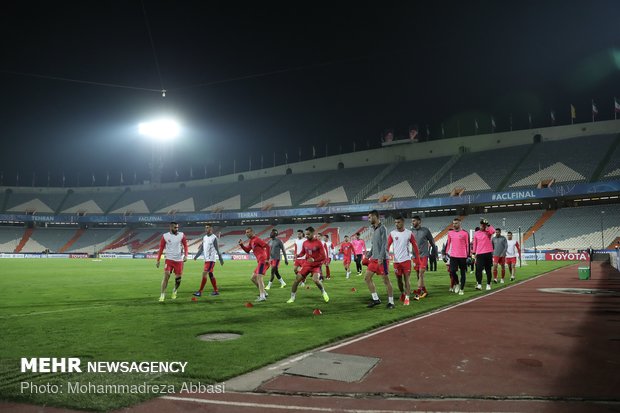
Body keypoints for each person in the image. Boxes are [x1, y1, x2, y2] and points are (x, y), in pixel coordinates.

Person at [287, 226, 329, 303]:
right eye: (306, 234)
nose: (306, 236)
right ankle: (292, 298)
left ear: (313, 233)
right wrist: (297, 255)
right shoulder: (305, 242)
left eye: (308, 234)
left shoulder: (318, 243)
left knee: (315, 280)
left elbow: (323, 256)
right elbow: (303, 252)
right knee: (296, 280)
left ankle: (323, 292)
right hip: (307, 265)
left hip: (316, 265)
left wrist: (314, 260)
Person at [364, 210, 394, 308]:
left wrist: (381, 257)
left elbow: (385, 244)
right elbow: (374, 246)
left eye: (370, 217)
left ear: (375, 217)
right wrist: (367, 256)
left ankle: (391, 302)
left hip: (382, 259)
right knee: (367, 278)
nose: (369, 219)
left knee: (386, 281)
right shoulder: (373, 229)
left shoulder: (383, 228)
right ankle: (376, 299)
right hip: (374, 259)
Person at [388, 215, 420, 306]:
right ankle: (402, 293)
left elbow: (415, 246)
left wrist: (418, 259)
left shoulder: (409, 233)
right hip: (396, 261)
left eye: (398, 222)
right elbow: (387, 245)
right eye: (395, 222)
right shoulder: (392, 233)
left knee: (407, 279)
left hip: (406, 260)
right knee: (399, 280)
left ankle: (407, 297)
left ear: (403, 222)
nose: (396, 224)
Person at [156, 222, 188, 302]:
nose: (176, 229)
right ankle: (162, 295)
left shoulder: (181, 235)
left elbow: (185, 245)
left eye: (177, 227)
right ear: (170, 227)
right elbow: (161, 248)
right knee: (166, 275)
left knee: (178, 280)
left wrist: (186, 255)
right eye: (175, 227)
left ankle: (174, 290)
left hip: (179, 260)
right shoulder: (165, 236)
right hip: (169, 260)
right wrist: (158, 260)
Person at [238, 227, 271, 302]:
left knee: (259, 278)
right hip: (260, 261)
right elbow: (247, 251)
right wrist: (242, 245)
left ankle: (262, 296)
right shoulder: (251, 241)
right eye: (246, 232)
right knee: (253, 278)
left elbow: (267, 246)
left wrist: (267, 259)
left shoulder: (257, 239)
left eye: (248, 232)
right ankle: (264, 293)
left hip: (263, 261)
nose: (247, 233)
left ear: (252, 232)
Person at [193, 224, 223, 297]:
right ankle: (216, 291)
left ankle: (200, 292)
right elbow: (202, 249)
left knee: (204, 273)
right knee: (210, 274)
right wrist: (196, 256)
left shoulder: (214, 238)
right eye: (205, 228)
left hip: (211, 260)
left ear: (211, 229)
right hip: (206, 260)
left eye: (208, 228)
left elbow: (217, 249)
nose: (206, 229)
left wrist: (220, 258)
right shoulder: (205, 237)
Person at [411, 215, 436, 299]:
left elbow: (432, 242)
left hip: (424, 255)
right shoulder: (411, 231)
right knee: (418, 274)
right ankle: (424, 291)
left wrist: (434, 252)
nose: (413, 222)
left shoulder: (425, 230)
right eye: (412, 221)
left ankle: (418, 293)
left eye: (414, 221)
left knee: (421, 273)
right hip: (415, 256)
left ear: (419, 221)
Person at [445, 217, 470, 295]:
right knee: (452, 271)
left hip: (463, 256)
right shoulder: (450, 233)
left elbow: (467, 245)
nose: (454, 225)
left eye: (456, 223)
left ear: (459, 223)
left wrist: (468, 255)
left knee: (463, 273)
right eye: (453, 223)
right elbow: (448, 244)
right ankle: (458, 283)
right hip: (453, 256)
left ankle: (462, 289)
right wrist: (446, 253)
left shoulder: (465, 233)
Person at [472, 219, 495, 291]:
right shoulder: (476, 233)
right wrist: (473, 253)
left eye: (484, 225)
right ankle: (479, 284)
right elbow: (475, 243)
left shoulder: (488, 232)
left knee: (488, 269)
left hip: (488, 253)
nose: (483, 226)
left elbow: (493, 231)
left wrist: (488, 224)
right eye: (482, 225)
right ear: (480, 225)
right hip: (479, 254)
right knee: (478, 269)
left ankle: (488, 284)